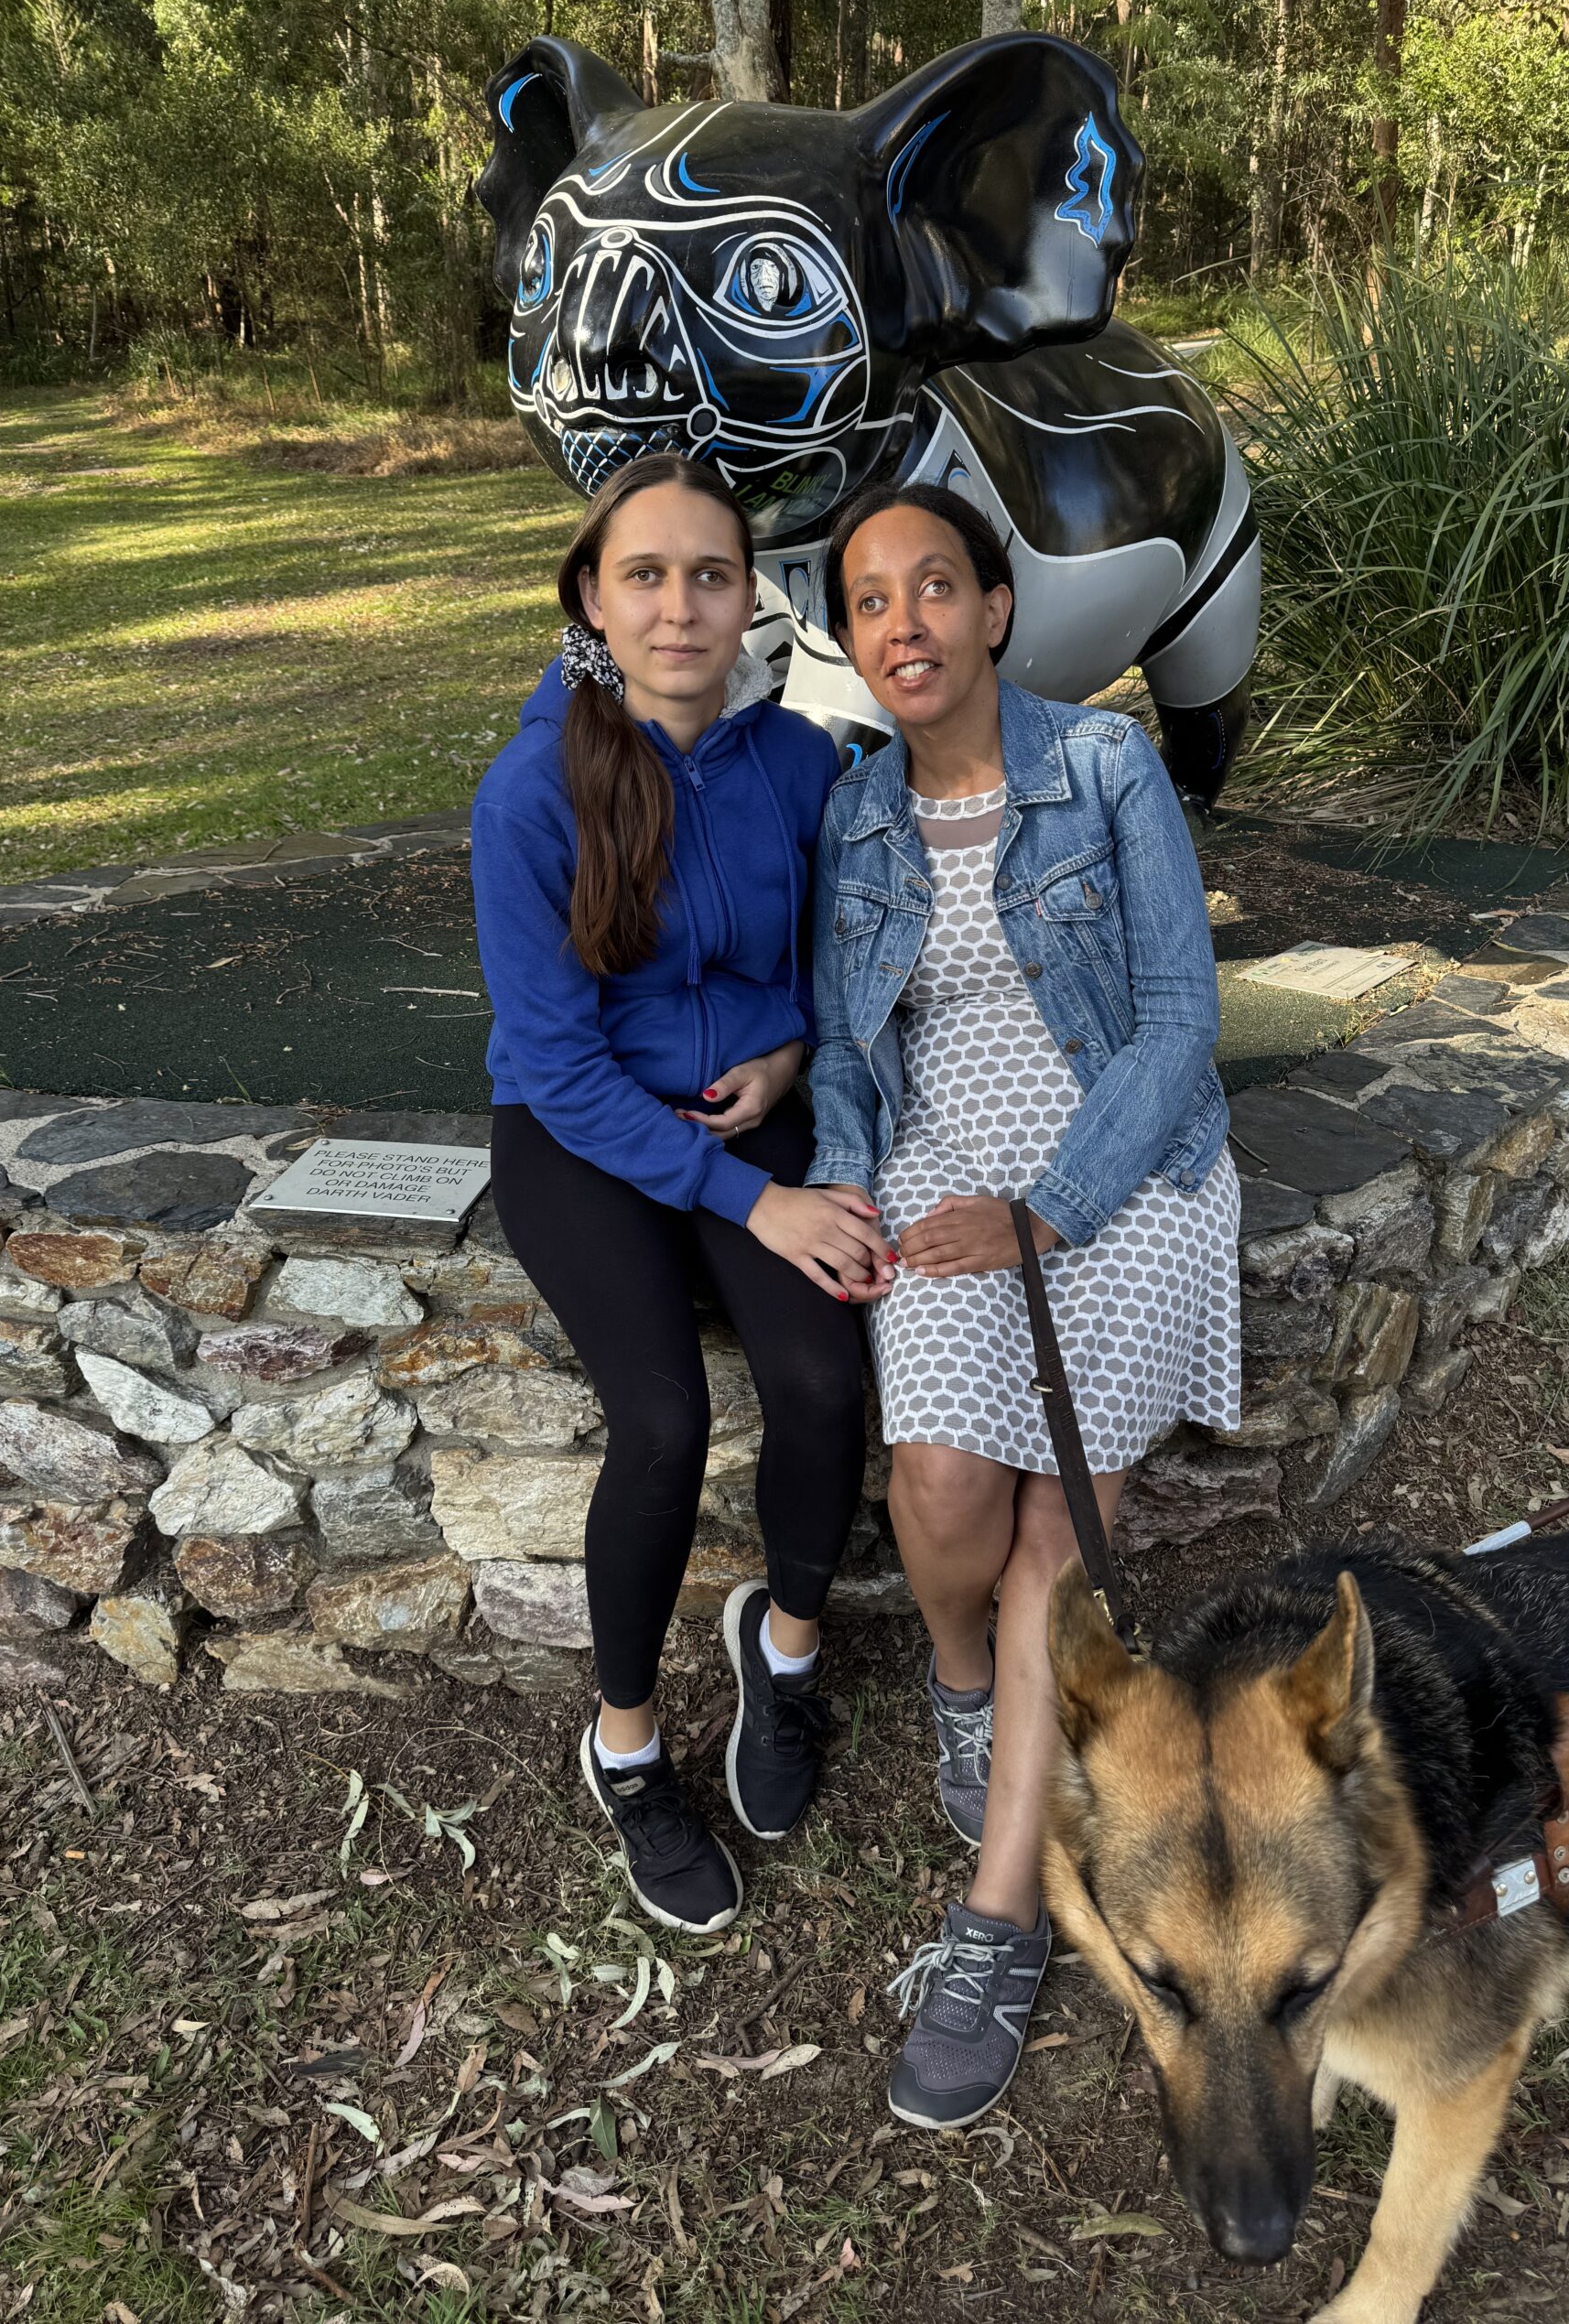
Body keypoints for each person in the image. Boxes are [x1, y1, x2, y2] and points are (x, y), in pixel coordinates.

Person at [807, 483, 1239, 2126]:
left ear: (996, 611)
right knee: (939, 1497)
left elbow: (1175, 1020)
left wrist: (1052, 1209)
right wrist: (856, 1186)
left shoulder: (1109, 767)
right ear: (850, 642)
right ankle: (961, 1679)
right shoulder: (854, 818)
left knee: (1058, 1544)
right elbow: (848, 1046)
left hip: (1119, 1179)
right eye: (868, 602)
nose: (904, 623)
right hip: (933, 1175)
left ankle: (996, 1926)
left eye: (935, 588)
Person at [471, 454, 893, 1937]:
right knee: (661, 1418)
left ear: (750, 597)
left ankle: (780, 1657)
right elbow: (561, 1068)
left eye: (710, 575)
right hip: (582, 1136)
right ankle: (630, 1745)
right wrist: (753, 1198)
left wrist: (786, 1054)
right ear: (592, 595)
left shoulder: (798, 765)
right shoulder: (533, 791)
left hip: (744, 1109)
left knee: (826, 1379)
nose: (679, 605)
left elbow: (829, 967)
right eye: (644, 574)